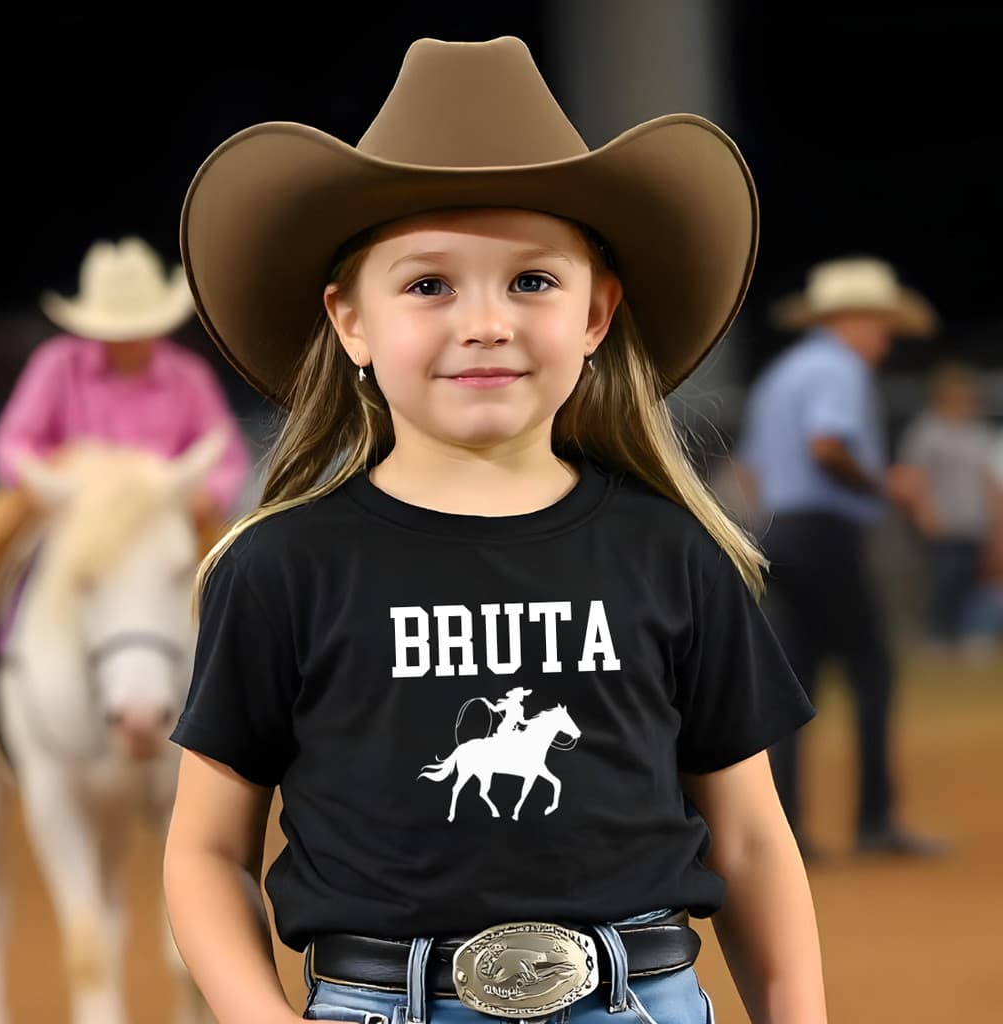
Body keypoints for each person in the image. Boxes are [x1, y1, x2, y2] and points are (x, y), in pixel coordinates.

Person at [163, 36, 826, 1024]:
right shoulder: (279, 566)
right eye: (428, 284)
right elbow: (206, 849)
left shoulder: (676, 551)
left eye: (532, 282)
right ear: (350, 322)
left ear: (597, 312)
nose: (485, 322)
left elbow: (752, 842)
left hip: (634, 1001)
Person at [737, 256, 949, 859]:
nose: (883, 337)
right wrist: (885, 486)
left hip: (777, 533)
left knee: (794, 686)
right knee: (873, 669)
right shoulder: (839, 370)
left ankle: (786, 832)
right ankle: (876, 820)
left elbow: (750, 467)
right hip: (824, 532)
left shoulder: (783, 373)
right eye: (879, 323)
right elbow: (827, 445)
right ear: (851, 320)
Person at [0, 236, 251, 679]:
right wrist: (40, 478)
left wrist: (207, 494)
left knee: (235, 566)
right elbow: (11, 441)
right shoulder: (57, 364)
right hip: (66, 501)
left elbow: (226, 455)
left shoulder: (188, 376)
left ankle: (240, 671)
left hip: (163, 505)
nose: (124, 340)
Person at [896, 361, 1003, 653]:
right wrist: (925, 516)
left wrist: (997, 526)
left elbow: (989, 484)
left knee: (968, 582)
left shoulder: (978, 434)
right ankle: (936, 638)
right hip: (942, 523)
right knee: (943, 581)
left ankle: (961, 638)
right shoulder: (927, 430)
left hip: (974, 524)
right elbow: (912, 477)